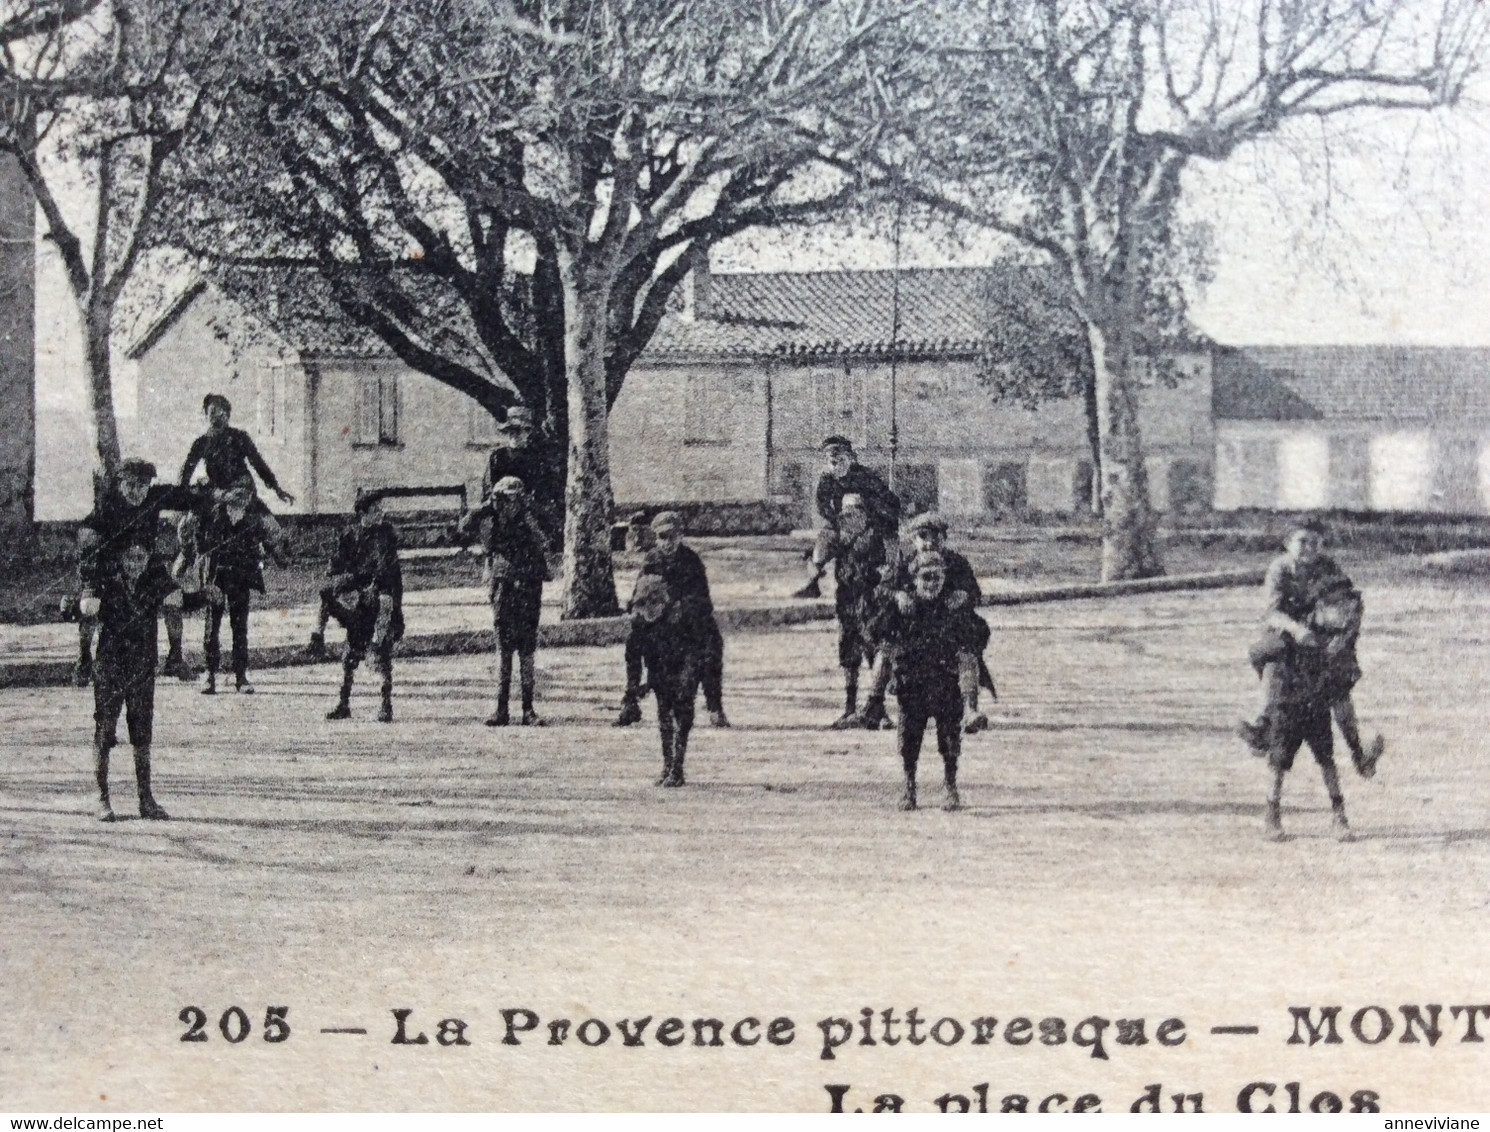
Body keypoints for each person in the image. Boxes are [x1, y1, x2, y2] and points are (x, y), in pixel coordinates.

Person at [1239, 520, 1385, 789]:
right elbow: (1272, 612)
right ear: (1288, 544)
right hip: (1289, 634)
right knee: (1275, 658)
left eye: (1314, 543)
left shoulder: (1328, 568)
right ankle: (1262, 726)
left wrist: (1341, 638)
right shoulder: (1280, 569)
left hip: (1322, 635)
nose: (1308, 548)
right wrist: (1296, 629)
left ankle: (1358, 753)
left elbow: (1351, 604)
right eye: (1302, 542)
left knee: (1338, 688)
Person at [860, 513, 996, 734]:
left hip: (945, 630)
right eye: (923, 536)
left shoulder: (957, 564)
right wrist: (897, 595)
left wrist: (963, 595)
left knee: (967, 651)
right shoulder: (903, 564)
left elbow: (974, 592)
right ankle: (873, 703)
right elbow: (880, 591)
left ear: (944, 539)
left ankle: (970, 709)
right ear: (914, 539)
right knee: (886, 647)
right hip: (912, 630)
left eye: (936, 536)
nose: (930, 542)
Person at [79, 543, 180, 821]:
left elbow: (180, 602)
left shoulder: (153, 584)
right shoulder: (106, 585)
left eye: (141, 557)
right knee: (105, 730)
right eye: (130, 557)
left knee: (142, 734)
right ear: (121, 559)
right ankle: (102, 797)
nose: (136, 563)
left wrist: (204, 595)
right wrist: (84, 659)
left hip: (142, 667)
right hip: (110, 667)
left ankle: (145, 799)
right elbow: (85, 617)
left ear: (147, 559)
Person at [78, 458, 201, 683]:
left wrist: (204, 492)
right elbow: (87, 530)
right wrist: (91, 549)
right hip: (110, 565)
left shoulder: (154, 497)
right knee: (89, 606)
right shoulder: (108, 504)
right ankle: (85, 658)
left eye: (142, 486)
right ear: (120, 484)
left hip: (145, 563)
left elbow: (186, 498)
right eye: (131, 485)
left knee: (174, 597)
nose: (136, 491)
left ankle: (175, 656)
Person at [878, 552, 974, 812]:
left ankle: (950, 787)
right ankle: (909, 787)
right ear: (915, 578)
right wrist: (878, 691)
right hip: (913, 684)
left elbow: (969, 647)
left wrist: (970, 701)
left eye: (937, 577)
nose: (931, 583)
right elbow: (885, 643)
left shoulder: (952, 608)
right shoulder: (903, 608)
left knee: (950, 738)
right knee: (909, 739)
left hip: (945, 683)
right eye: (926, 577)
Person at [615, 511, 729, 728]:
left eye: (672, 537)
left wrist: (680, 606)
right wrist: (638, 607)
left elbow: (704, 601)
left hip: (686, 621)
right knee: (634, 641)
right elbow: (640, 593)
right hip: (659, 621)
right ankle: (630, 702)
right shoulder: (652, 559)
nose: (667, 543)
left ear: (680, 536)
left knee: (712, 642)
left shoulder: (691, 561)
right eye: (662, 537)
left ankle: (715, 706)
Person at [455, 476, 553, 726]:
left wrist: (531, 512)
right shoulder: (491, 521)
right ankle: (501, 709)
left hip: (529, 588)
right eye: (505, 500)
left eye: (515, 500)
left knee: (528, 650)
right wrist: (486, 505)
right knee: (504, 650)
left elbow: (548, 536)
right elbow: (464, 527)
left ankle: (529, 709)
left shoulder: (529, 520)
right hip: (503, 588)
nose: (510, 505)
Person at [195, 478, 288, 695]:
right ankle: (209, 674)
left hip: (240, 578)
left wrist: (276, 557)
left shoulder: (252, 519)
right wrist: (205, 576)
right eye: (237, 494)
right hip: (216, 577)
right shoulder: (213, 515)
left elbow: (266, 541)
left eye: (245, 495)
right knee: (212, 625)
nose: (241, 500)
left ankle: (241, 676)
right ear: (227, 496)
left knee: (240, 627)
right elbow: (200, 544)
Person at [324, 491, 404, 723]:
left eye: (381, 508)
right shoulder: (350, 536)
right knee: (351, 652)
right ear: (363, 513)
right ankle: (344, 703)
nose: (381, 512)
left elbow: (389, 568)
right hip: (360, 600)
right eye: (375, 509)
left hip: (383, 597)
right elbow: (338, 566)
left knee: (383, 652)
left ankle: (386, 704)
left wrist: (377, 587)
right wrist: (351, 583)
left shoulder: (387, 534)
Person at [626, 575, 710, 788]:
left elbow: (696, 652)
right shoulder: (639, 625)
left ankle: (677, 767)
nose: (650, 610)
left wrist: (687, 681)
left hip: (686, 667)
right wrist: (634, 688)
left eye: (655, 603)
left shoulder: (680, 618)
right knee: (664, 715)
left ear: (665, 602)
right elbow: (633, 659)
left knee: (682, 715)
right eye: (644, 604)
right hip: (660, 672)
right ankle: (667, 764)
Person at [794, 436, 901, 599]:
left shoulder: (865, 476)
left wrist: (866, 504)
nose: (835, 463)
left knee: (872, 555)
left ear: (850, 457)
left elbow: (890, 501)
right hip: (842, 523)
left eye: (839, 458)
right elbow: (822, 506)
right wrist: (837, 521)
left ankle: (881, 586)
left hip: (870, 523)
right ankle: (813, 584)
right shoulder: (827, 480)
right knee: (823, 543)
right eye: (831, 460)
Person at [816, 494, 889, 729]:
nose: (849, 519)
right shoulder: (839, 537)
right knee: (849, 654)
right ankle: (850, 708)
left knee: (874, 652)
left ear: (864, 515)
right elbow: (818, 558)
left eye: (854, 514)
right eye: (846, 516)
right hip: (847, 600)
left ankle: (878, 708)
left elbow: (888, 566)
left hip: (872, 600)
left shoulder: (875, 536)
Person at [179, 393, 295, 505]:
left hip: (240, 489)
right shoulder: (201, 443)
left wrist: (276, 489)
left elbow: (258, 464)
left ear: (227, 415)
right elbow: (188, 469)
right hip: (217, 490)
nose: (218, 417)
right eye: (213, 412)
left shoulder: (239, 437)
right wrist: (182, 489)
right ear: (206, 415)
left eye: (222, 413)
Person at [482, 406, 559, 543]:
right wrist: (499, 495)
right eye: (510, 431)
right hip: (501, 509)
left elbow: (544, 488)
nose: (514, 435)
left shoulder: (536, 458)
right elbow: (488, 485)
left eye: (518, 431)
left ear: (527, 432)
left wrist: (526, 498)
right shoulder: (498, 456)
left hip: (527, 509)